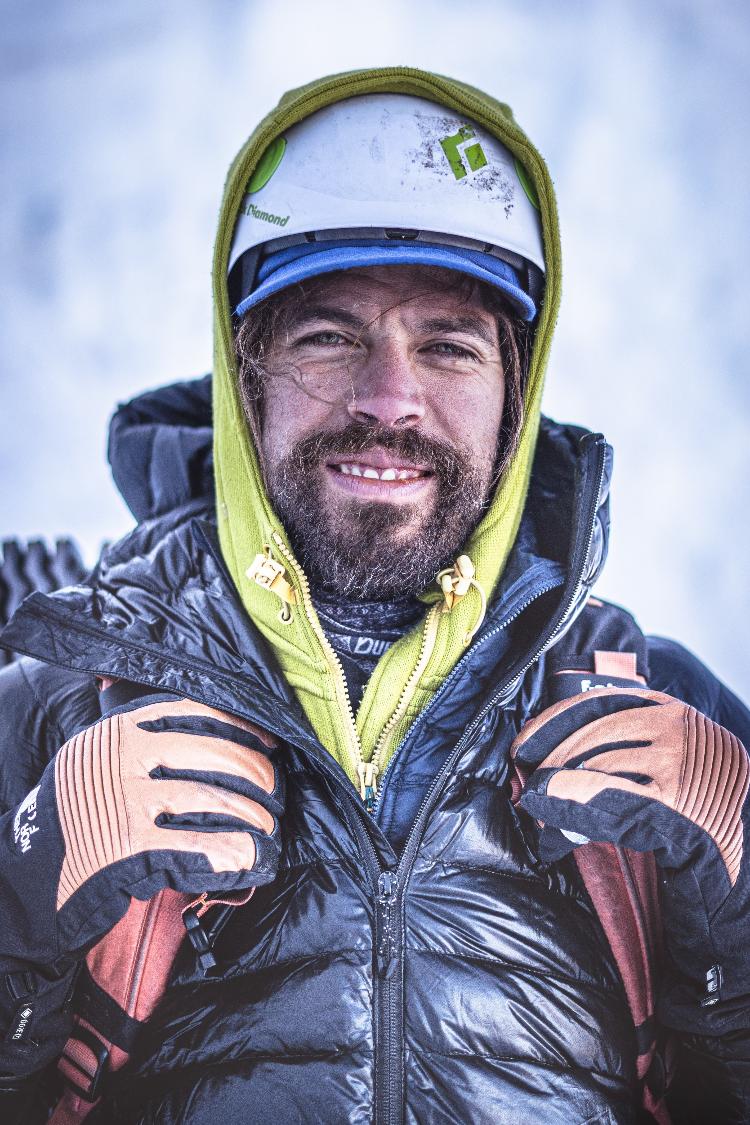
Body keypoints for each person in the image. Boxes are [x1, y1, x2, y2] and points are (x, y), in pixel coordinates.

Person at [0, 66, 748, 1125]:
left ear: (517, 400)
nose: (388, 400)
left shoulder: (656, 715)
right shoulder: (63, 709)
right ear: (244, 376)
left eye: (448, 346)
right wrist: (20, 902)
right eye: (327, 337)